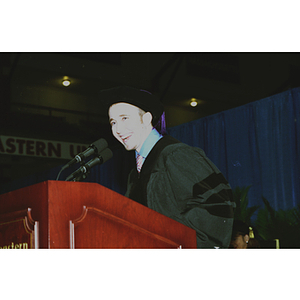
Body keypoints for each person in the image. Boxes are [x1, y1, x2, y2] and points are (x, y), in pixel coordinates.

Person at [101, 86, 235, 249]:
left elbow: (218, 207)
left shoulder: (176, 155)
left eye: (124, 118)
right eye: (113, 122)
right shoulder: (135, 173)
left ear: (146, 118)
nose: (118, 129)